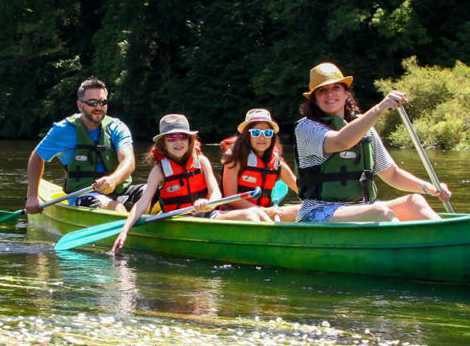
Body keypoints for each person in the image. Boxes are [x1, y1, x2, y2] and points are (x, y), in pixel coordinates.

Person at [286, 62, 451, 222]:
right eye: (322, 91)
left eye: (336, 88)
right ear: (314, 99)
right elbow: (340, 142)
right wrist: (380, 108)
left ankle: (450, 243)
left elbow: (391, 174)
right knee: (378, 211)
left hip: (363, 206)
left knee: (414, 201)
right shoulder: (306, 128)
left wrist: (427, 187)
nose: (330, 95)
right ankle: (403, 247)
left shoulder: (365, 129)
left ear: (346, 93)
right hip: (319, 210)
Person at [110, 114, 271, 254]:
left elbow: (216, 193)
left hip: (208, 214)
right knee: (251, 216)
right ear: (163, 143)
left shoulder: (201, 161)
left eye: (183, 137)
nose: (178, 142)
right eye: (171, 138)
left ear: (190, 140)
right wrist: (124, 231)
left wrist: (208, 203)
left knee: (255, 214)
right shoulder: (159, 171)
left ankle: (271, 243)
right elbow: (142, 203)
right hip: (180, 220)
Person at [25, 77, 137, 214]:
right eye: (92, 102)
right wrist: (32, 196)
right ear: (80, 105)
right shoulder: (63, 130)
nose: (98, 107)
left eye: (103, 102)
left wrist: (113, 180)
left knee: (158, 197)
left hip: (118, 190)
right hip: (84, 195)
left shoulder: (117, 127)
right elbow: (37, 156)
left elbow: (128, 161)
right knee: (116, 208)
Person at [219, 108, 300, 221]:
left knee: (305, 210)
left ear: (272, 136)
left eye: (267, 133)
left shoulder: (277, 162)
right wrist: (262, 210)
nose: (262, 137)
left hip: (266, 211)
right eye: (256, 133)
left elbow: (299, 187)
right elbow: (231, 198)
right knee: (254, 216)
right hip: (237, 213)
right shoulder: (234, 157)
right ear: (247, 135)